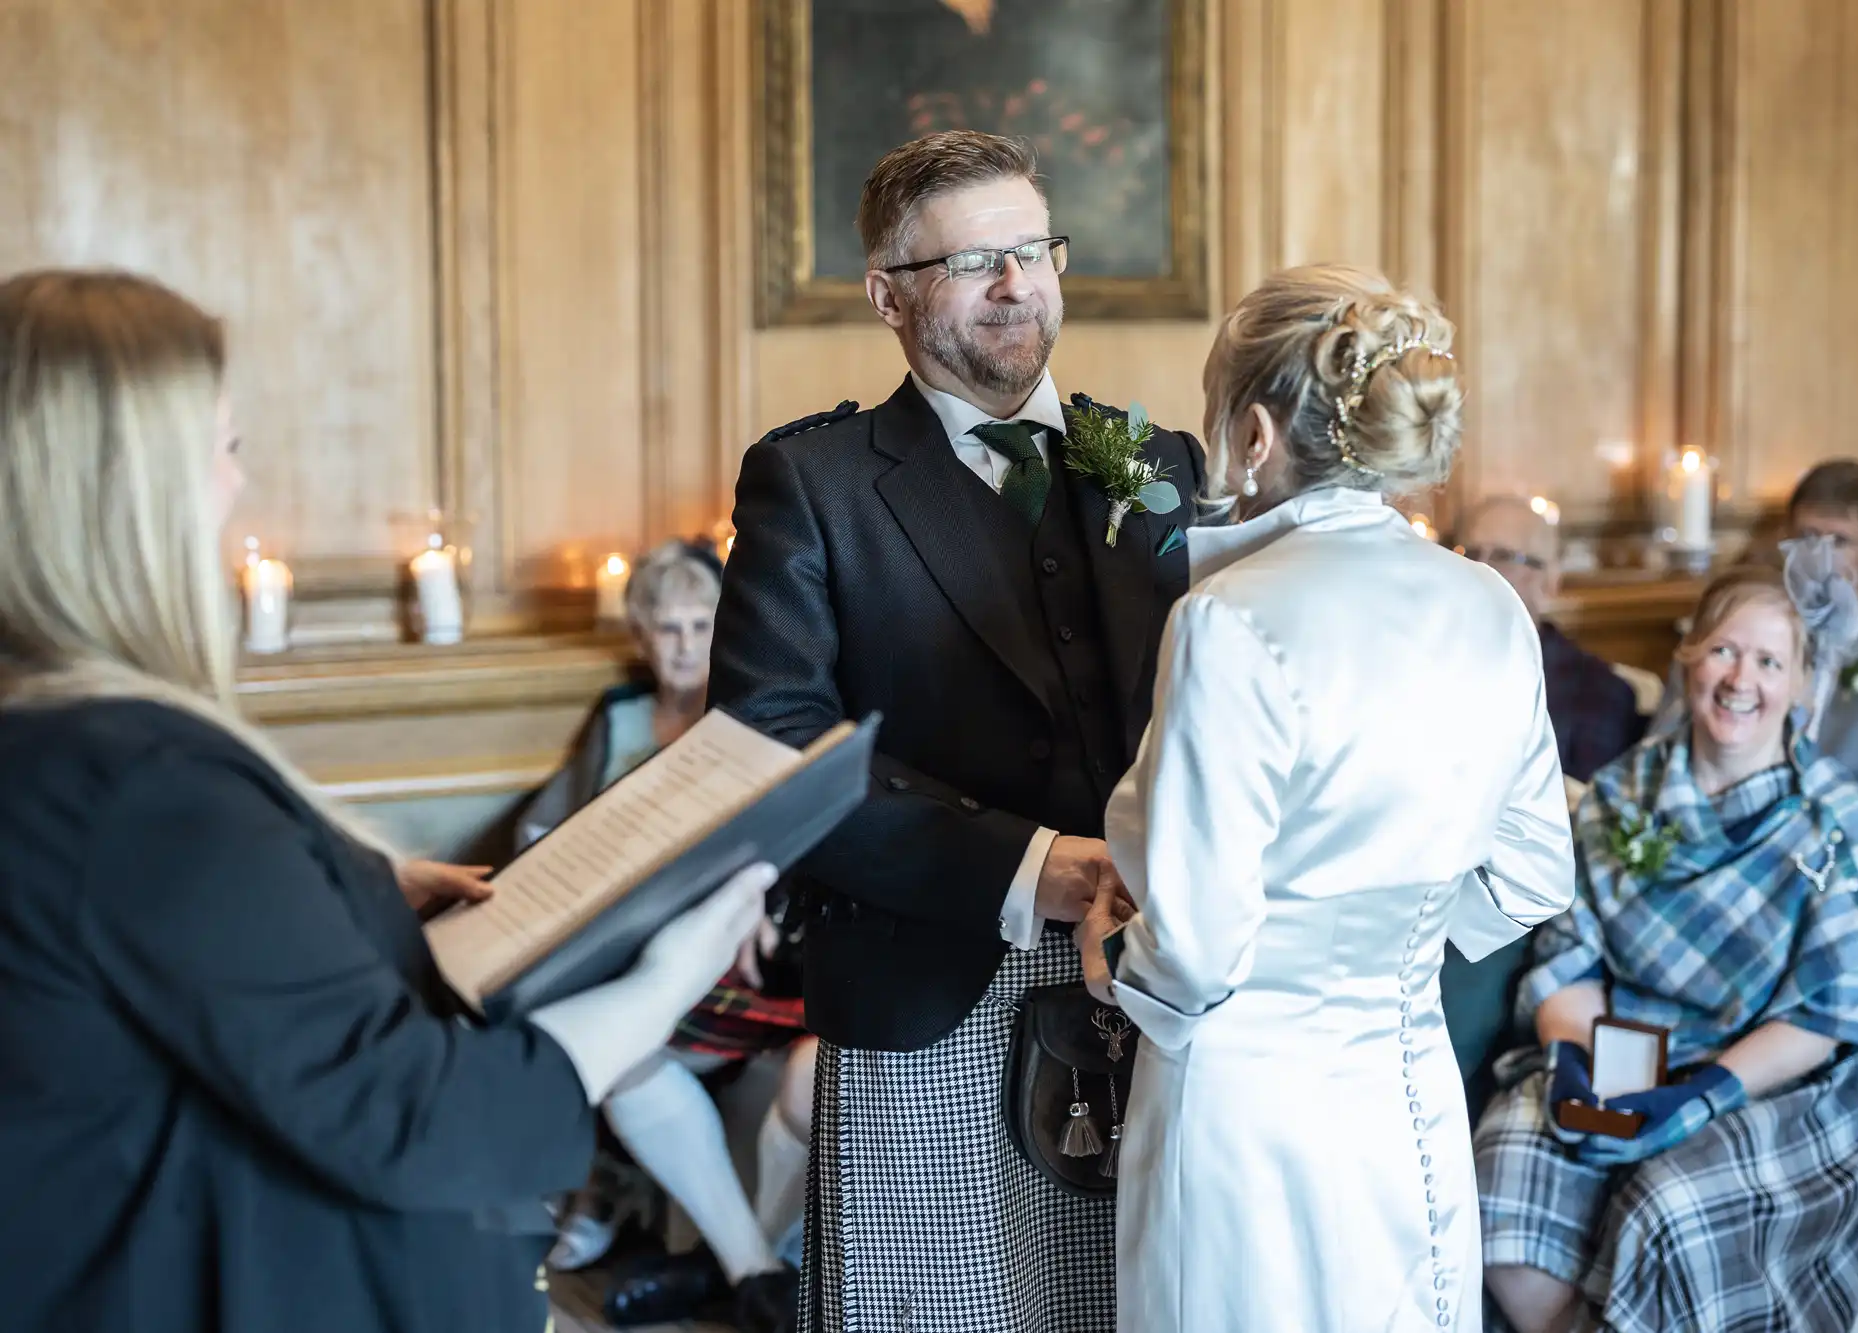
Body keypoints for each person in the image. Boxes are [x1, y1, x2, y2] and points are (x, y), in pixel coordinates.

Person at [0, 269, 775, 1333]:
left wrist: (349, 882)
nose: (235, 486)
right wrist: (677, 966)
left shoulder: (58, 743)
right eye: (223, 448)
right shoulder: (141, 785)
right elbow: (422, 1117)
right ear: (122, 489)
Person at [708, 130, 1206, 1332]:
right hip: (932, 982)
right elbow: (774, 746)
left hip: (1158, 986)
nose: (1017, 283)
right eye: (975, 259)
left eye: (1033, 249)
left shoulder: (1156, 463)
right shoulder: (814, 484)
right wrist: (1034, 867)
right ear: (887, 295)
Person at [1071, 266, 1576, 1332]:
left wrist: (1114, 962)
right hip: (1407, 1094)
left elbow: (1198, 953)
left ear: (1253, 435)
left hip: (1238, 1111)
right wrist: (1385, 939)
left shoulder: (1226, 621)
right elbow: (1534, 872)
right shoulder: (1487, 603)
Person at [1475, 556, 1858, 1333]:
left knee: (1668, 1208)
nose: (1743, 678)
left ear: (1801, 683)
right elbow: (1571, 956)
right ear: (1690, 655)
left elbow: (1831, 1014)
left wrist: (1703, 1092)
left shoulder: (1833, 816)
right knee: (1501, 1171)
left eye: (1770, 660)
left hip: (1782, 1083)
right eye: (1726, 650)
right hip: (1623, 1052)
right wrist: (1577, 1065)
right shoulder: (1621, 791)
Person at [521, 540, 815, 1333]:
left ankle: (738, 1267)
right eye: (669, 628)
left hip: (745, 954)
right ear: (642, 637)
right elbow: (545, 831)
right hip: (633, 950)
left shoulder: (743, 717)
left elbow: (788, 831)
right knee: (622, 1056)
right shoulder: (619, 719)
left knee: (812, 1069)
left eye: (699, 625)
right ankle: (748, 1268)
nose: (685, 643)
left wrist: (755, 889)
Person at [1650, 459, 1858, 793]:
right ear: (1785, 538)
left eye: (1839, 542)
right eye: (1808, 537)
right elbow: (1659, 756)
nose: (1819, 557)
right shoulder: (1716, 643)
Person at [1459, 493, 1645, 781]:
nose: (1480, 569)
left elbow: (1583, 811)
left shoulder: (1598, 691)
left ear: (1549, 582)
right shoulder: (1425, 662)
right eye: (1469, 554)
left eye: (1504, 557)